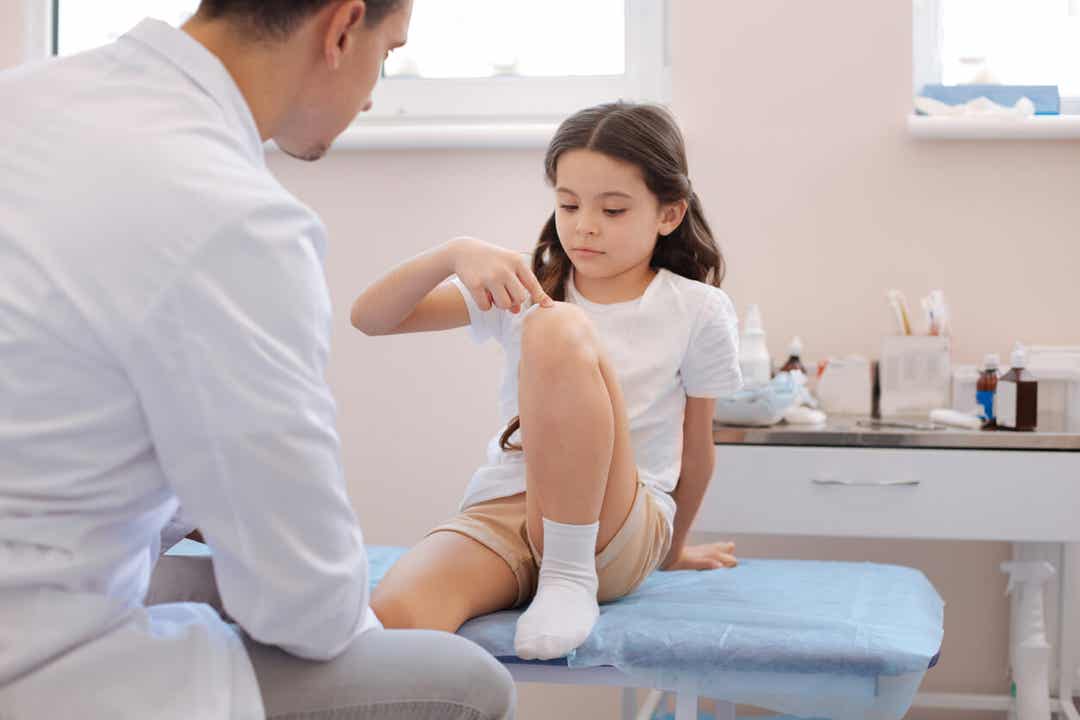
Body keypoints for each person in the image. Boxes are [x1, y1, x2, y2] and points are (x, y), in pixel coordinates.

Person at [0, 1, 515, 718]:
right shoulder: (236, 218)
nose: (374, 94)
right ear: (341, 29)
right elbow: (305, 610)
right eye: (388, 54)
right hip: (34, 663)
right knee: (461, 683)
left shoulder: (25, 96)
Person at [351, 102, 743, 661]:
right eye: (568, 203)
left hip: (617, 527)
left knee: (555, 326)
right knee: (395, 625)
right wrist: (452, 253)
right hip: (512, 505)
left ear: (669, 214)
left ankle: (568, 575)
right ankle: (555, 574)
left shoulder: (697, 310)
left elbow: (696, 447)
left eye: (612, 209)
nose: (584, 225)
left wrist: (672, 551)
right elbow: (370, 319)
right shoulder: (524, 280)